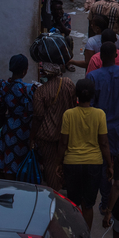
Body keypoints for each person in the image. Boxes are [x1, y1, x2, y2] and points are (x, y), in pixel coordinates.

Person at [87, 41, 119, 212]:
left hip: (102, 131)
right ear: (116, 56)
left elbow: (91, 107)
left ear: (100, 57)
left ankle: (105, 203)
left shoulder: (93, 77)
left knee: (104, 166)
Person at [59, 78, 112, 231]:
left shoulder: (68, 114)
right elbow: (104, 143)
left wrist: (58, 163)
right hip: (93, 164)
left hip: (72, 163)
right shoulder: (99, 114)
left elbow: (63, 143)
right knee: (88, 205)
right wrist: (110, 164)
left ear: (76, 95)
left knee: (73, 204)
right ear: (93, 95)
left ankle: (74, 235)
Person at [31, 62, 76, 190]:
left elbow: (38, 117)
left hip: (47, 136)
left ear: (45, 73)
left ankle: (55, 195)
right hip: (67, 133)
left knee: (50, 166)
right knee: (66, 161)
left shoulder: (40, 92)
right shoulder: (68, 83)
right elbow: (73, 104)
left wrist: (32, 137)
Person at [0, 54, 34, 179]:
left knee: (9, 161)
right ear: (25, 71)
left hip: (9, 129)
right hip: (25, 130)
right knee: (23, 162)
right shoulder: (29, 89)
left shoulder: (2, 86)